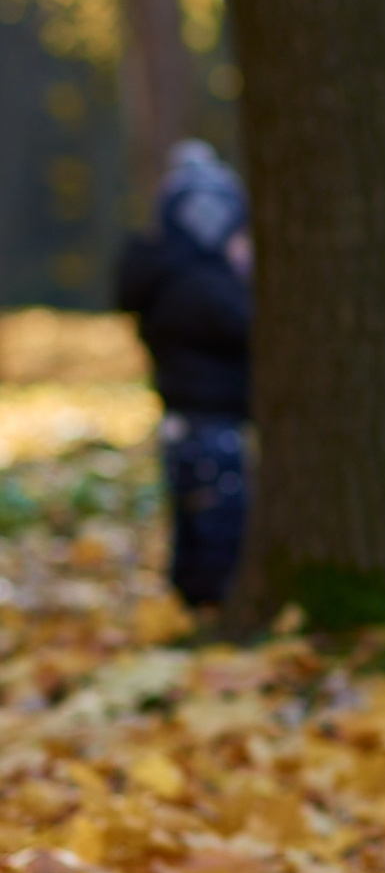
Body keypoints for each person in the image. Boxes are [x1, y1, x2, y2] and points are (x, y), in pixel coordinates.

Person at [115, 140, 253, 608]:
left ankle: (194, 603)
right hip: (213, 419)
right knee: (216, 524)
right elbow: (244, 328)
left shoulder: (165, 277)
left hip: (186, 417)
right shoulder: (201, 288)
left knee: (196, 521)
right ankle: (209, 606)